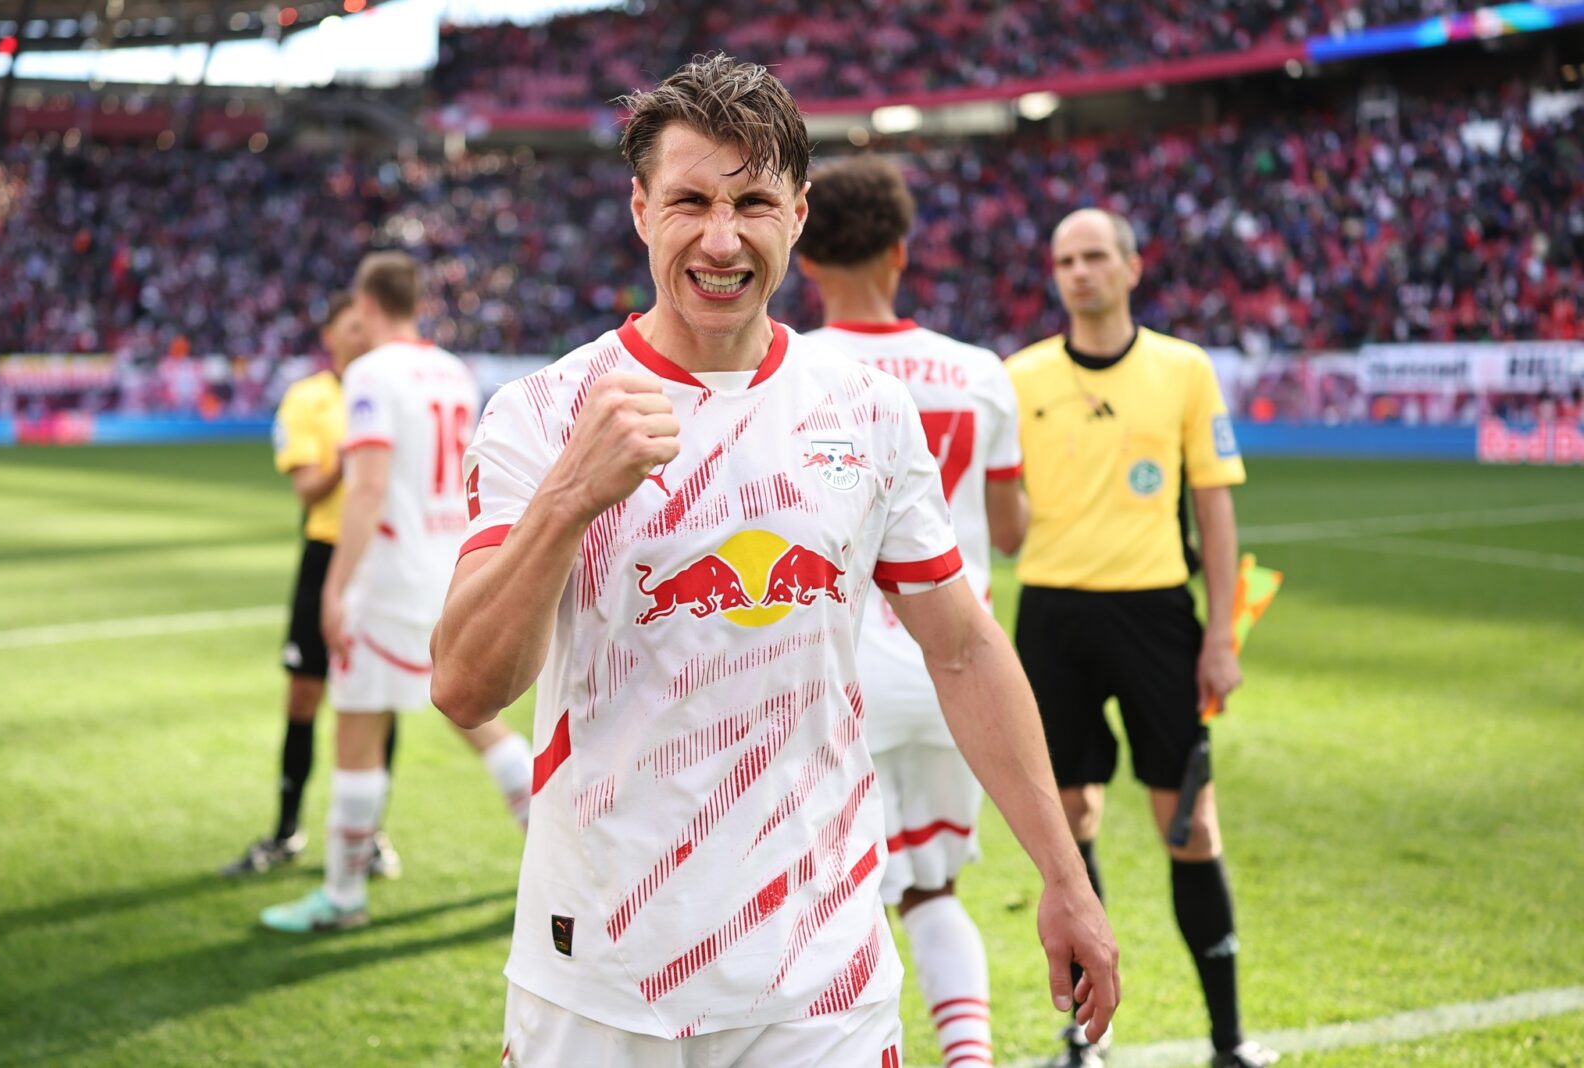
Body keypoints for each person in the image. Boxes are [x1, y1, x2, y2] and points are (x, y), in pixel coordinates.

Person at [430, 55, 1118, 1068]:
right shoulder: (543, 412)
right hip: (602, 976)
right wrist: (570, 497)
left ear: (797, 214)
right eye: (690, 202)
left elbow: (964, 648)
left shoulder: (865, 410)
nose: (721, 239)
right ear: (640, 210)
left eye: (752, 203)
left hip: (820, 977)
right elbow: (464, 684)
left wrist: (1064, 876)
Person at [1005, 208, 1276, 1068]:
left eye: (1094, 256)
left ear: (1131, 267)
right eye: (1065, 260)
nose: (1079, 272)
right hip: (1052, 617)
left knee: (1188, 823)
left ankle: (1228, 1041)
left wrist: (1221, 639)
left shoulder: (1184, 370)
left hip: (1158, 617)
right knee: (1070, 822)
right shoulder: (1018, 377)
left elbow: (1215, 512)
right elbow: (1003, 521)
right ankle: (1086, 1038)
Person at [794, 154, 1030, 1068]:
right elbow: (1010, 531)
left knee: (828, 903)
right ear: (902, 250)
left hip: (839, 675)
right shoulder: (980, 372)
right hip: (957, 669)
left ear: (806, 258)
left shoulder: (793, 370)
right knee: (935, 891)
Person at [259, 252, 534, 933]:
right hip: (445, 567)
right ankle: (559, 860)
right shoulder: (453, 371)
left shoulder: (371, 374)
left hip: (387, 576)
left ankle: (343, 895)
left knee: (358, 729)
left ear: (365, 304)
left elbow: (369, 488)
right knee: (479, 723)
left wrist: (335, 588)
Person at [222, 292, 402, 880]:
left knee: (379, 697)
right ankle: (286, 831)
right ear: (330, 335)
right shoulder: (309, 398)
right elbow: (306, 489)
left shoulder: (394, 391)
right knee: (303, 694)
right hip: (325, 553)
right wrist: (354, 453)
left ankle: (368, 836)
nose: (362, 335)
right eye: (351, 326)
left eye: (367, 325)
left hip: (383, 556)